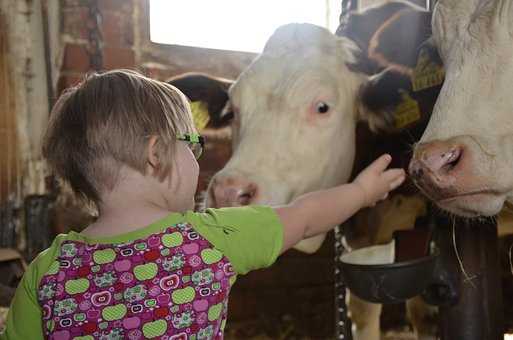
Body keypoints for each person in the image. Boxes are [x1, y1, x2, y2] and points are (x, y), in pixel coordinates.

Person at [0, 69, 405, 340]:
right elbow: (305, 217)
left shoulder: (48, 271)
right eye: (193, 144)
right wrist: (362, 192)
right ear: (156, 155)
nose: (197, 158)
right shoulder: (210, 239)